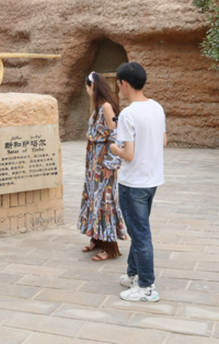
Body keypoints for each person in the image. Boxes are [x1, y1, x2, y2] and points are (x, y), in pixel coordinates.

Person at [109, 62, 166, 302]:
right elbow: (163, 141)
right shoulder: (157, 107)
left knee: (140, 235)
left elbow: (129, 155)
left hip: (133, 183)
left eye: (118, 83)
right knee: (139, 230)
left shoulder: (128, 114)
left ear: (124, 83)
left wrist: (115, 149)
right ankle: (133, 275)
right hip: (152, 180)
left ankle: (147, 287)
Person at [78, 71, 127, 261]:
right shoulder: (98, 107)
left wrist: (110, 164)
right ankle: (97, 238)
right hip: (93, 164)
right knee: (93, 199)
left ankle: (110, 246)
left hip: (103, 164)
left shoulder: (106, 107)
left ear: (92, 86)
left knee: (105, 202)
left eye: (87, 87)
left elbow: (116, 137)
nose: (87, 90)